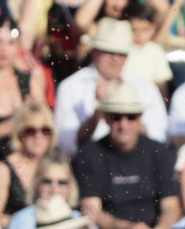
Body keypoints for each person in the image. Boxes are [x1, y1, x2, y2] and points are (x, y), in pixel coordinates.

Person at [73, 83, 182, 229]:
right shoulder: (90, 154)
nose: (123, 124)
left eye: (131, 117)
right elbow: (91, 211)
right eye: (116, 117)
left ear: (140, 119)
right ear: (106, 118)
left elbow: (171, 207)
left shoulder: (158, 152)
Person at [54, 18, 170, 158]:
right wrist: (97, 114)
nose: (115, 59)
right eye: (109, 51)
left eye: (122, 54)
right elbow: (67, 147)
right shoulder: (70, 87)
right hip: (89, 167)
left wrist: (130, 116)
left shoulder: (145, 88)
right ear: (95, 51)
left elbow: (159, 141)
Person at [4, 159, 98, 229]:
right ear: (37, 183)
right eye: (47, 181)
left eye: (61, 182)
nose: (54, 187)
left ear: (70, 186)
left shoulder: (80, 218)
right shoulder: (20, 220)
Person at [0, 102, 55, 229]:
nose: (38, 136)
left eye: (45, 130)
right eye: (31, 130)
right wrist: (26, 222)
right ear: (20, 133)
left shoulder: (56, 163)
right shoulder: (4, 168)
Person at [0, 13, 42, 164]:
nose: (4, 49)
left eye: (11, 43)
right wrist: (13, 124)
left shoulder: (30, 81)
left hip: (24, 164)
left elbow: (44, 128)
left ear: (18, 45)